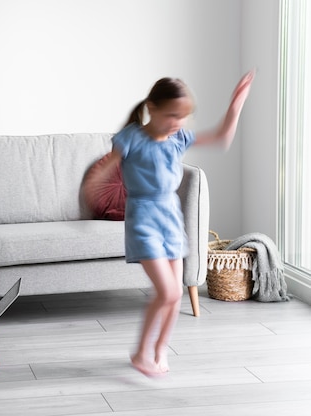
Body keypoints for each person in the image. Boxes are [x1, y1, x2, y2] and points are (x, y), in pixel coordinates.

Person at [97, 71, 255, 377]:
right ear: (153, 109)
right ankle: (141, 352)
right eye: (172, 115)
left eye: (183, 117)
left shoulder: (178, 138)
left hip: (171, 220)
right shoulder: (131, 137)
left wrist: (236, 104)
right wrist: (94, 185)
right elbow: (107, 168)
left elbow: (221, 138)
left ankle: (160, 350)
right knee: (167, 292)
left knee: (176, 294)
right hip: (144, 222)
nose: (177, 123)